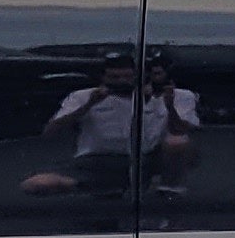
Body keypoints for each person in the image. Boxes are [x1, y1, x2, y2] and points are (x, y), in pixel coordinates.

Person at [22, 55, 199, 197]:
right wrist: (89, 105)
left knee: (178, 143)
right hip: (99, 160)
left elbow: (181, 130)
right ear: (103, 78)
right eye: (114, 77)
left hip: (148, 158)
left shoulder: (168, 96)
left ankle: (169, 190)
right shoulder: (84, 97)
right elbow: (51, 131)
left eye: (128, 77)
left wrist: (168, 105)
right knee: (36, 184)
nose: (122, 82)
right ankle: (98, 187)